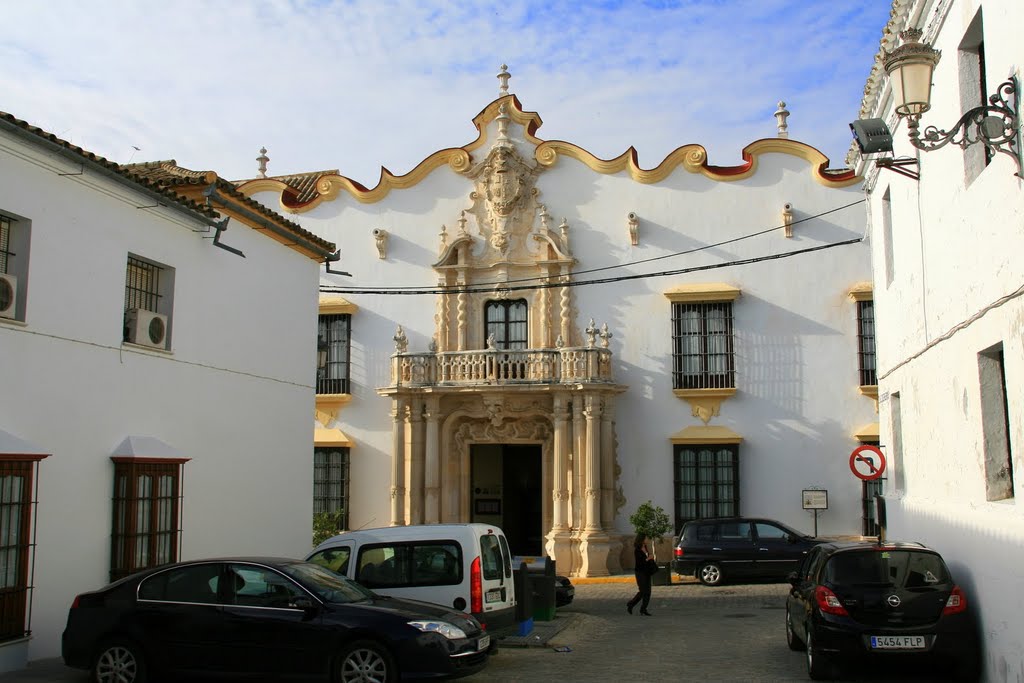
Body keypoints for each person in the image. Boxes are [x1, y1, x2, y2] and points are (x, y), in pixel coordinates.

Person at [626, 532, 653, 616]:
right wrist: (648, 559)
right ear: (641, 539)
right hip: (640, 572)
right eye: (645, 538)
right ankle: (631, 604)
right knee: (643, 591)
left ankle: (643, 609)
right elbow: (640, 563)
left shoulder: (645, 547)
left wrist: (650, 559)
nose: (647, 539)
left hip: (647, 571)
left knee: (648, 591)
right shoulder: (637, 550)